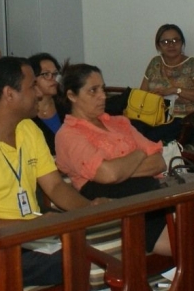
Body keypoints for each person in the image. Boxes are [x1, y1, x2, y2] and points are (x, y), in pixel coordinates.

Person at [0, 56, 96, 288]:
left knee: (101, 244)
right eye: (32, 86)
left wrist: (92, 210)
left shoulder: (28, 129)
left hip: (32, 238)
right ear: (9, 94)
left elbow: (55, 186)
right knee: (82, 259)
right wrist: (30, 228)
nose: (38, 93)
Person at [55, 64, 170, 255]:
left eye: (103, 89)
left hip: (146, 191)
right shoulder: (68, 134)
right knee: (188, 235)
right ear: (72, 96)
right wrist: (140, 153)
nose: (102, 96)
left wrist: (120, 169)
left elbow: (159, 162)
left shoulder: (119, 122)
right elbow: (108, 175)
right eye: (93, 90)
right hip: (111, 200)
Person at [132, 23, 194, 143]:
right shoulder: (155, 62)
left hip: (183, 120)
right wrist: (153, 96)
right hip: (154, 116)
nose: (171, 45)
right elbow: (143, 93)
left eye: (175, 40)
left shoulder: (192, 63)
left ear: (182, 43)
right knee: (131, 129)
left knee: (151, 137)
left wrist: (176, 90)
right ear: (158, 45)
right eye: (165, 42)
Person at [27, 53, 63, 154]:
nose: (53, 78)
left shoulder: (67, 105)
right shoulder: (26, 114)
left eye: (55, 74)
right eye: (46, 74)